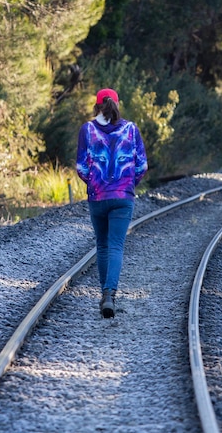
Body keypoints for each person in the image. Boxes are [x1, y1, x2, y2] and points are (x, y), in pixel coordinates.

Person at [76, 88, 148, 318]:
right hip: (122, 198)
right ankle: (109, 295)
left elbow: (81, 168)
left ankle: (104, 295)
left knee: (102, 245)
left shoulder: (87, 130)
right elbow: (141, 166)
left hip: (98, 197)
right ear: (117, 104)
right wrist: (127, 184)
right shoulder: (131, 129)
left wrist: (95, 183)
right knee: (116, 245)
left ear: (97, 106)